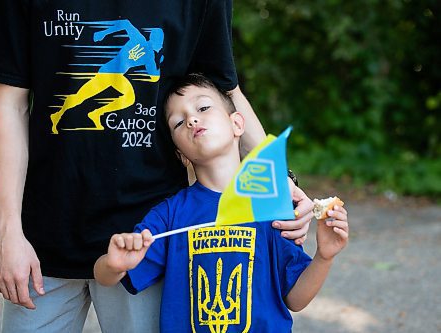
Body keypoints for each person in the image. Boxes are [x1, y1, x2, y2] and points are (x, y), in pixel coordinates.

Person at [0, 1, 314, 332]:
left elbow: (224, 90)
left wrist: (280, 178)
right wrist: (7, 232)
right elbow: (10, 104)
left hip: (149, 239)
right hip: (43, 240)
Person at [94, 74, 349, 332]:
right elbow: (107, 276)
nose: (192, 119)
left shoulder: (269, 206)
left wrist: (324, 257)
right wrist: (112, 265)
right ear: (180, 154)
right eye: (179, 122)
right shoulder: (169, 215)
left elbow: (295, 298)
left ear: (237, 124)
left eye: (203, 108)